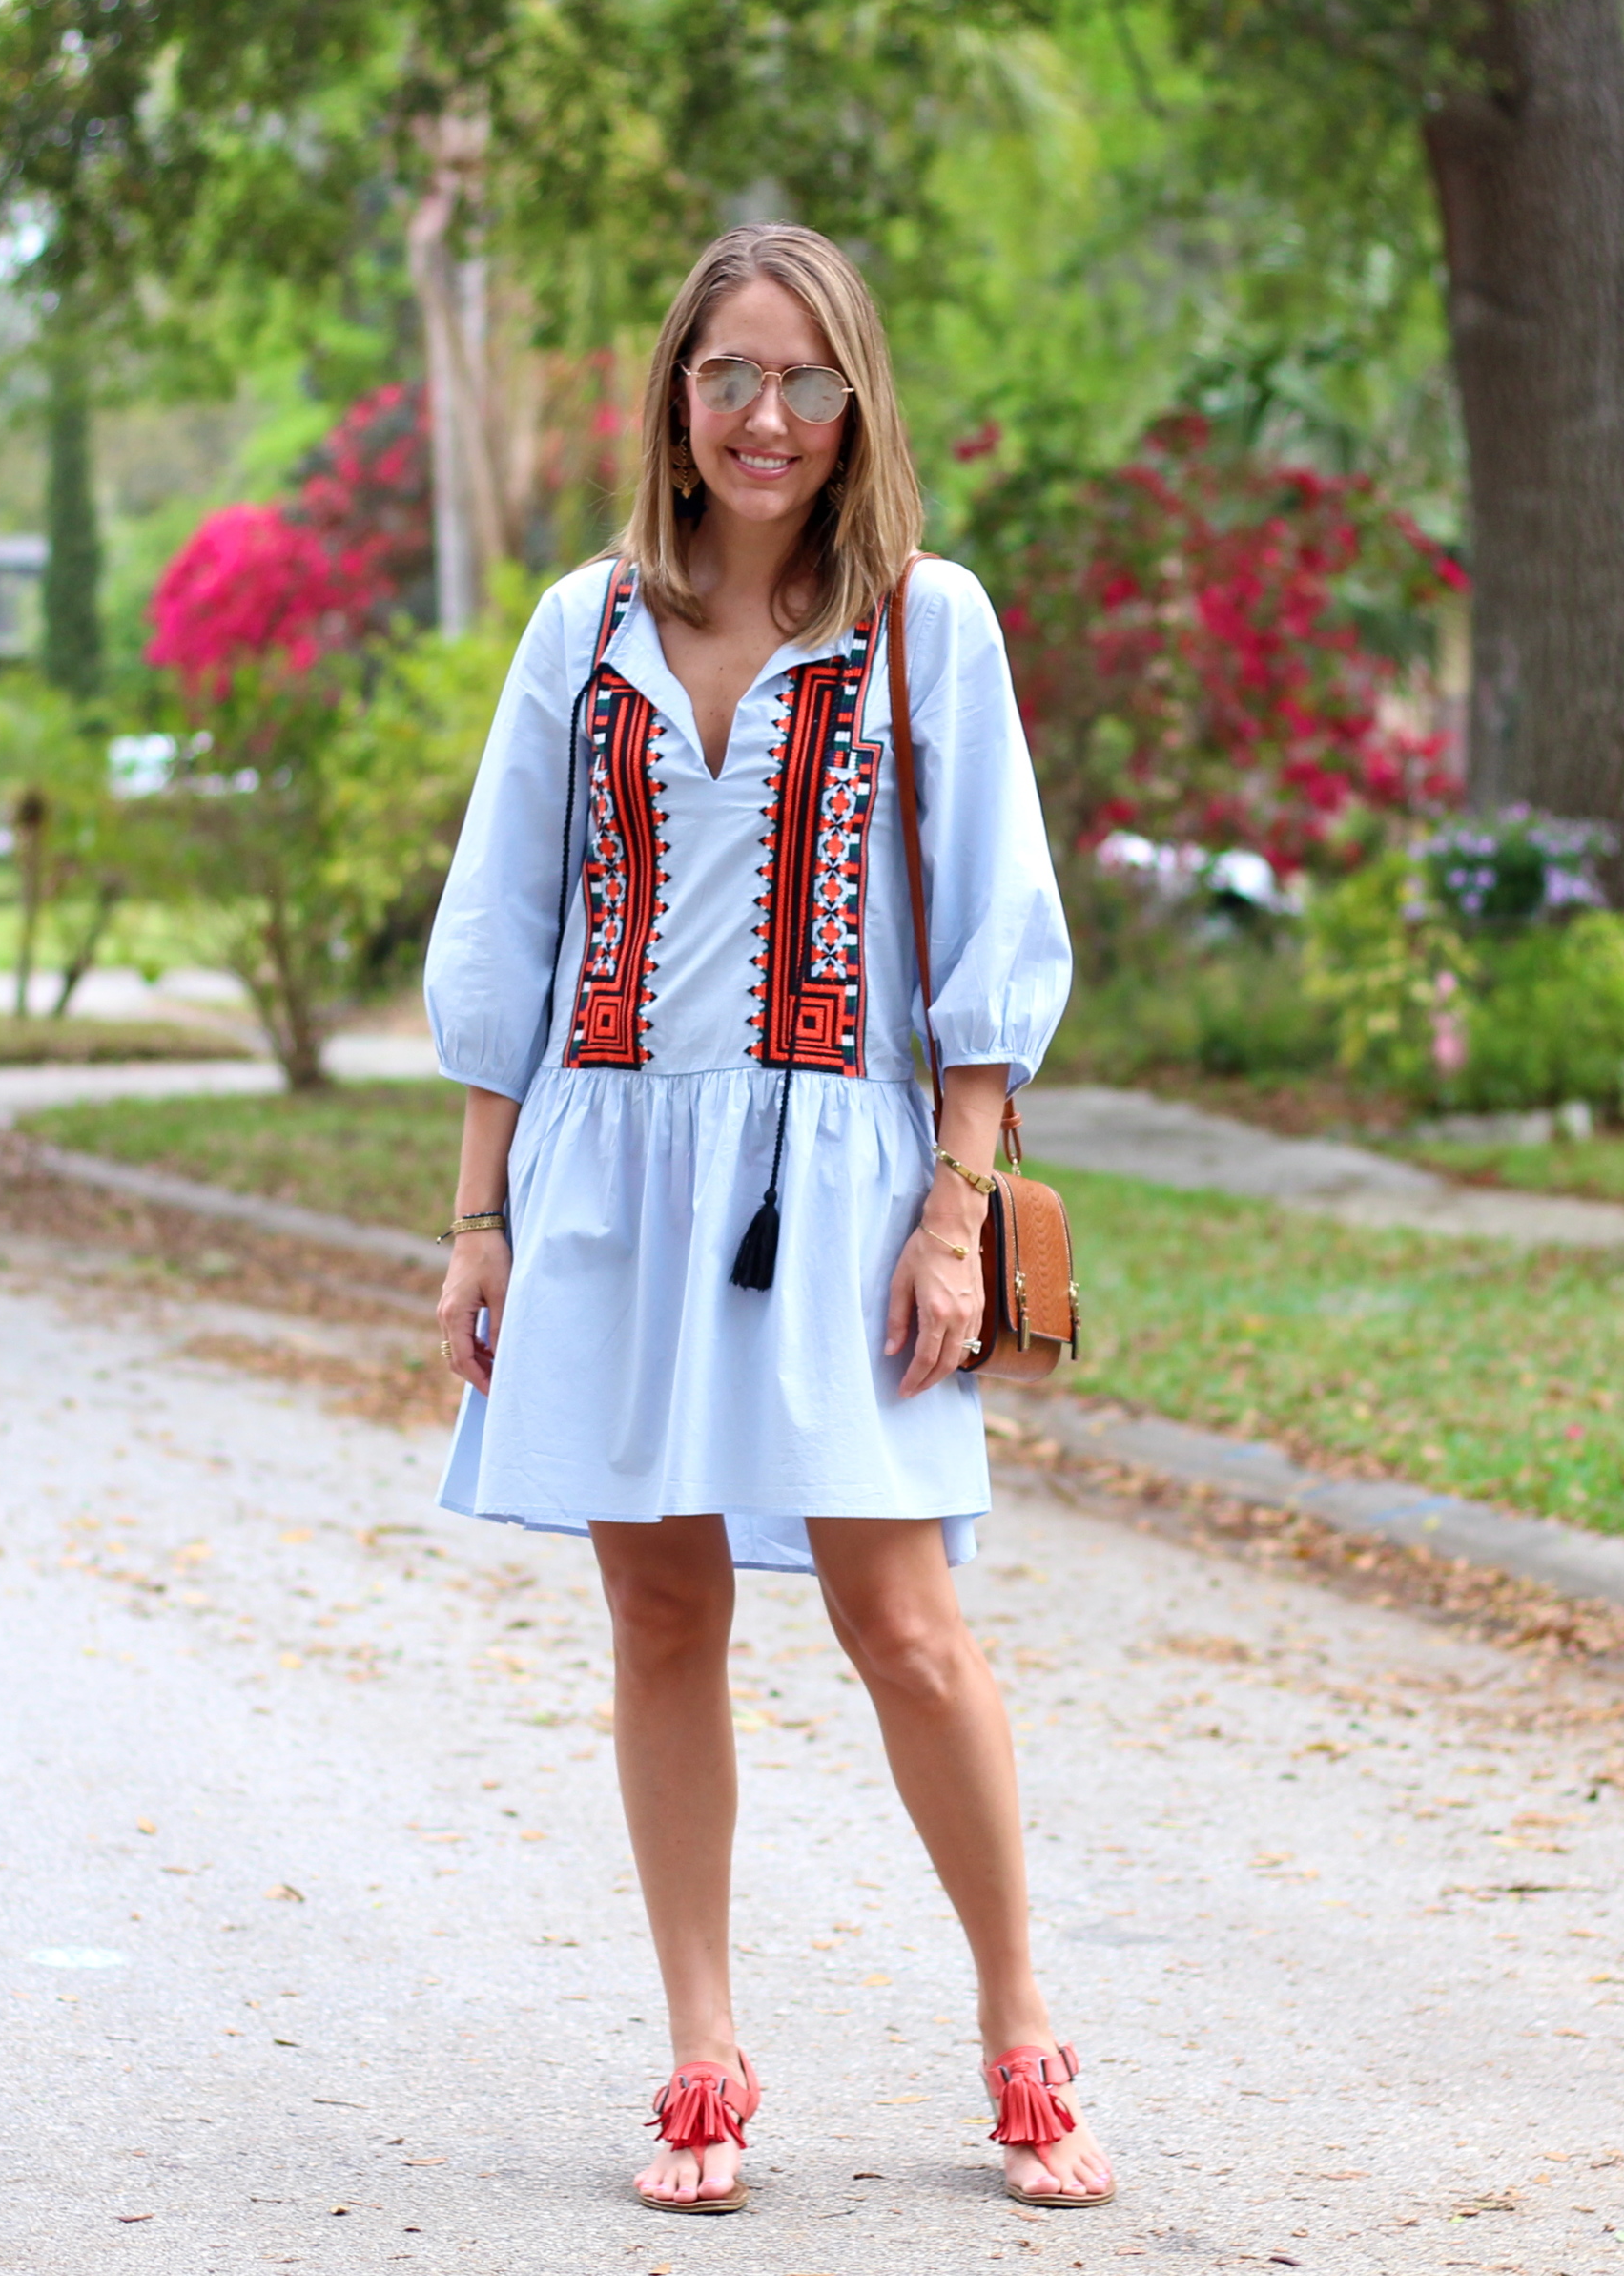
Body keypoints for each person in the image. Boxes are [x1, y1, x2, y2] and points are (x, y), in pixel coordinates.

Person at [423, 223, 1113, 2217]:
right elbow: (506, 934)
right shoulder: (583, 629)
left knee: (902, 1617)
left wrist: (954, 1207)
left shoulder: (925, 621)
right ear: (675, 394)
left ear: (855, 403)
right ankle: (702, 2048)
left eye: (805, 377)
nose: (764, 414)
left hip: (845, 1181)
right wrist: (478, 1214)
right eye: (728, 372)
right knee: (658, 1610)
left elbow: (990, 927)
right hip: (608, 1173)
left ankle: (1014, 2021)